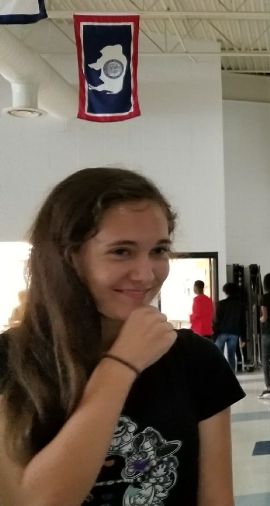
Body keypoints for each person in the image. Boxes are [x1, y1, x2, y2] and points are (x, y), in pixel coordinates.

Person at [0, 167, 245, 505]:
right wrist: (121, 365)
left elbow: (216, 498)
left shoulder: (196, 360)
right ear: (69, 257)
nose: (146, 274)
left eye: (159, 250)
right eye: (121, 251)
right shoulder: (10, 361)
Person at [213, 282, 244, 374]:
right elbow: (242, 322)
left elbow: (217, 320)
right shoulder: (240, 305)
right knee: (231, 355)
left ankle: (220, 375)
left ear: (226, 291)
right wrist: (244, 338)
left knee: (219, 355)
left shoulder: (221, 304)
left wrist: (214, 334)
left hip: (221, 333)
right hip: (234, 333)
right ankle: (232, 376)